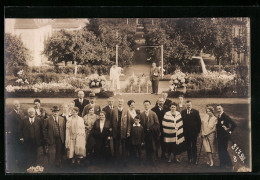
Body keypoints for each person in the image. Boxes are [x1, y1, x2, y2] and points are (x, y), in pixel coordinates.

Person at [111, 98, 131, 165]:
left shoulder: (126, 110)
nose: (120, 103)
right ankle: (116, 160)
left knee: (124, 146)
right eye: (119, 101)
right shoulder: (113, 110)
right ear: (117, 102)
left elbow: (129, 122)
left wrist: (128, 131)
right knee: (116, 146)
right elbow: (111, 121)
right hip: (116, 131)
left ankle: (124, 160)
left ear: (123, 103)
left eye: (121, 102)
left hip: (124, 132)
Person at [216, 104, 237, 169]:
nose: (218, 110)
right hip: (219, 137)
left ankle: (231, 165)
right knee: (220, 150)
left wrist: (229, 131)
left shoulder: (225, 116)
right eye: (217, 109)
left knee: (224, 150)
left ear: (223, 109)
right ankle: (222, 164)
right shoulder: (219, 116)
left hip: (224, 137)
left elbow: (234, 124)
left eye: (219, 108)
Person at [140, 100, 160, 165]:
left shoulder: (153, 113)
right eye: (145, 105)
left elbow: (157, 123)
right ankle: (147, 160)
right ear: (143, 105)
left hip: (152, 133)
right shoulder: (141, 114)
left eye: (147, 105)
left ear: (150, 105)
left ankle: (153, 160)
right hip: (145, 133)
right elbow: (140, 124)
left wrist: (152, 129)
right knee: (146, 146)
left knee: (153, 146)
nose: (146, 106)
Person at [6, 100, 24, 171]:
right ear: (13, 106)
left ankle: (21, 163)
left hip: (22, 133)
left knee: (21, 149)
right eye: (16, 105)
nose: (17, 105)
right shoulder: (10, 114)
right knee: (17, 150)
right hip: (16, 136)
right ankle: (17, 166)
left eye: (18, 104)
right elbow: (12, 127)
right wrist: (19, 136)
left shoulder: (21, 112)